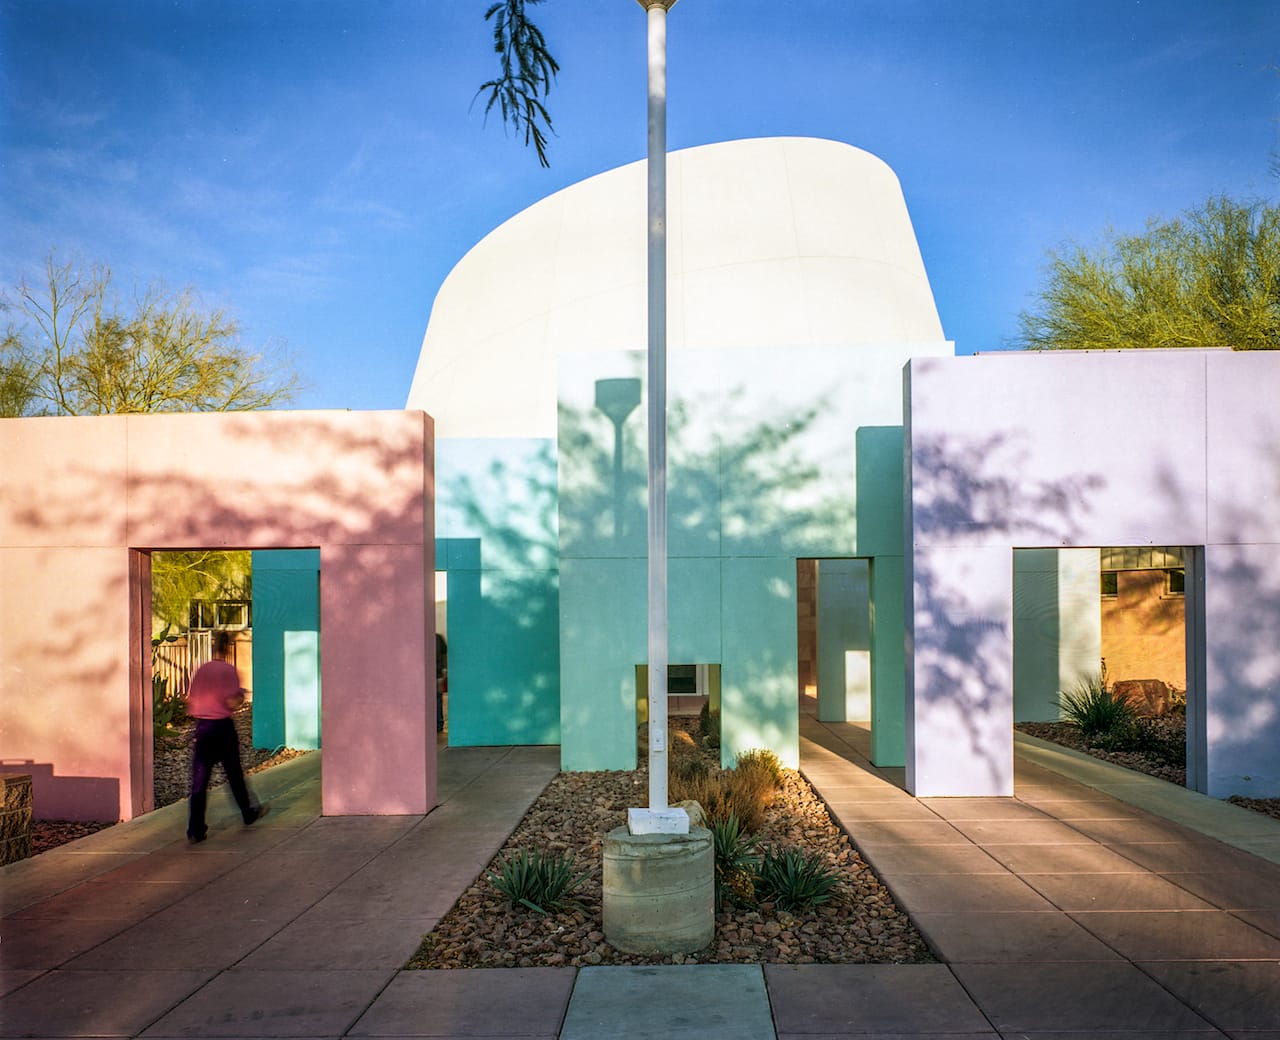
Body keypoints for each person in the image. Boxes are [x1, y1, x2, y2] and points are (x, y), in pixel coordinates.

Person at [185, 630, 267, 843]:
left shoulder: (201, 670)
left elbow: (190, 701)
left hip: (202, 728)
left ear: (213, 646)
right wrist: (241, 696)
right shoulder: (228, 670)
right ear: (228, 647)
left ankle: (195, 828)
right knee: (233, 773)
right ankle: (247, 812)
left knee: (200, 781)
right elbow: (231, 702)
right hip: (222, 727)